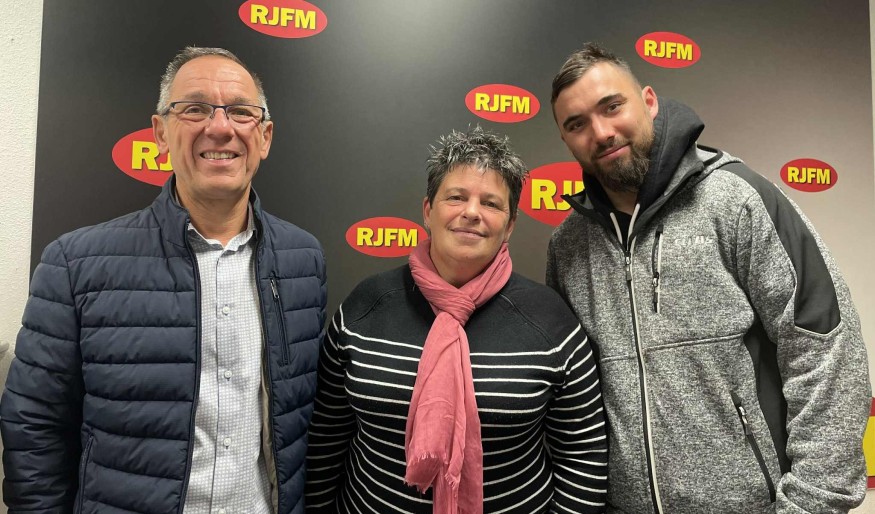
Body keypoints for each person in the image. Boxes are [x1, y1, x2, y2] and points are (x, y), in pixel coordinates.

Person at [546, 42, 871, 513]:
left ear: (649, 102)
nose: (601, 132)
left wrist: (812, 503)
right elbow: (570, 401)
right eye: (577, 124)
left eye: (612, 106)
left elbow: (825, 349)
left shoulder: (735, 200)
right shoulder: (569, 247)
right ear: (566, 140)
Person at [0, 47, 326, 513]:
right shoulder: (75, 264)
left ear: (265, 136)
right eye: (194, 109)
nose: (220, 127)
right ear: (160, 133)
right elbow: (34, 428)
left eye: (241, 112)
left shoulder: (304, 261)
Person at [305, 127, 607, 513]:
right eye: (456, 197)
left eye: (491, 203)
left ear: (510, 225)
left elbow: (582, 454)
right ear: (428, 211)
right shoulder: (366, 305)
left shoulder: (551, 322)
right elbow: (327, 435)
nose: (471, 212)